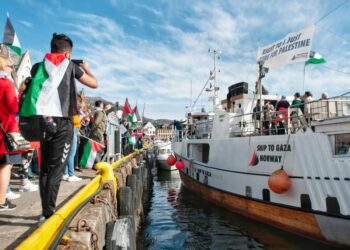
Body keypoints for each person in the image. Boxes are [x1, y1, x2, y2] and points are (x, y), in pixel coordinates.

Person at [31, 33, 98, 222]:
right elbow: (94, 84)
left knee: (45, 168)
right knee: (56, 169)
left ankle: (45, 211)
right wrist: (88, 68)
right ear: (68, 53)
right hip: (63, 122)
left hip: (43, 120)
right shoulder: (71, 66)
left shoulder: (38, 66)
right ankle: (49, 214)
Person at [0, 55, 18, 211]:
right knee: (5, 165)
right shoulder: (6, 84)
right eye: (10, 66)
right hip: (4, 129)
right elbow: (13, 107)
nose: (12, 69)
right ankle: (1, 201)